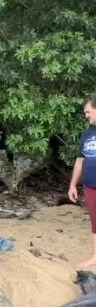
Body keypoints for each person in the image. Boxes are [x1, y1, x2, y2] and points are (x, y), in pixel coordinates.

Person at [69, 97, 96, 268]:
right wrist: (73, 185)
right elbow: (79, 161)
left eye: (88, 112)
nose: (86, 115)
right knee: (95, 221)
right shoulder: (87, 134)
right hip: (90, 185)